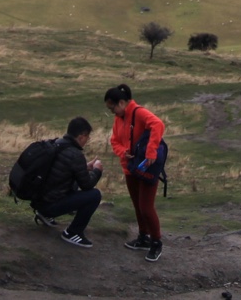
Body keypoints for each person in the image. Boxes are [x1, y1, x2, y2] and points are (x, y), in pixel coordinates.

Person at [104, 83, 168, 261]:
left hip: (146, 166)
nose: (112, 112)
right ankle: (143, 237)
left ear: (122, 103)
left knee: (146, 207)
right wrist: (123, 151)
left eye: (113, 108)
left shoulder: (139, 113)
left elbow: (158, 124)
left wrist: (151, 151)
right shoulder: (119, 119)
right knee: (138, 206)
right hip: (130, 168)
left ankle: (156, 243)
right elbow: (114, 140)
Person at [32, 116, 104, 248]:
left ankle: (44, 214)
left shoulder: (57, 144)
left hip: (39, 201)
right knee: (95, 195)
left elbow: (66, 171)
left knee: (74, 180)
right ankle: (73, 233)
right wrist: (97, 170)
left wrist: (85, 167)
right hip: (50, 205)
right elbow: (87, 185)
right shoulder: (75, 154)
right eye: (88, 137)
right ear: (82, 136)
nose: (87, 141)